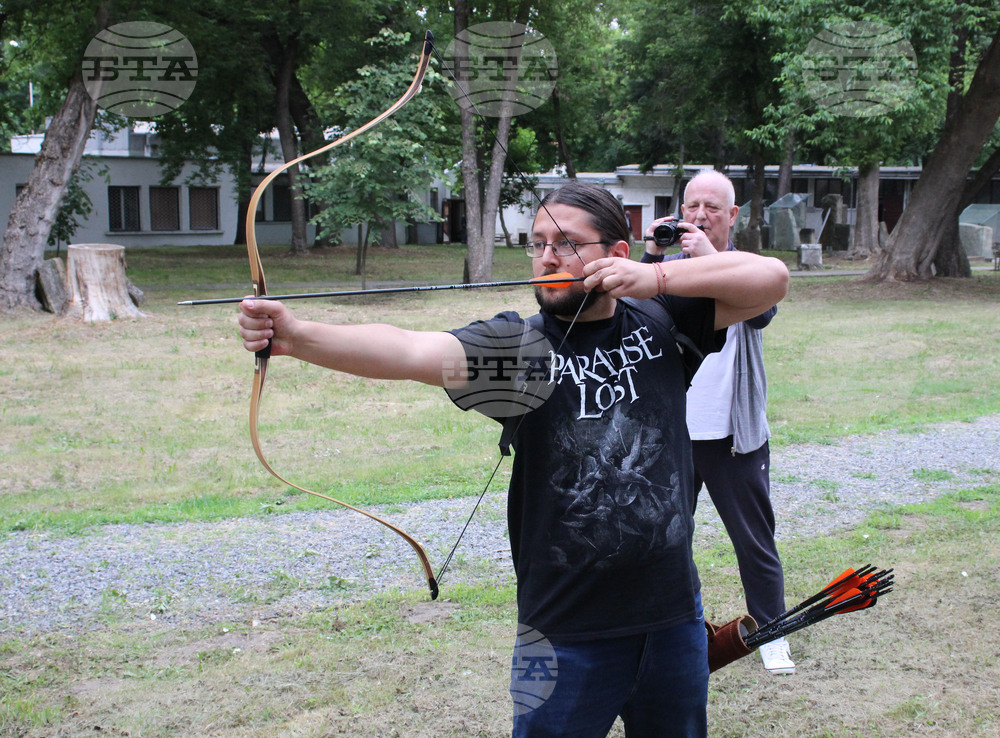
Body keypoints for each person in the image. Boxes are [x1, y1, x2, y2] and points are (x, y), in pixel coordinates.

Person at [238, 181, 789, 736]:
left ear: (616, 256)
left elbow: (772, 281)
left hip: (673, 619)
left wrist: (658, 277)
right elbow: (408, 350)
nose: (547, 257)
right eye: (537, 242)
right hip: (558, 635)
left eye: (567, 244)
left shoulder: (664, 321)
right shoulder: (517, 351)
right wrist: (296, 336)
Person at [641, 170, 794, 675]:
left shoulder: (745, 270)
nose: (699, 215)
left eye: (712, 207)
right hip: (674, 433)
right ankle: (672, 634)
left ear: (732, 215)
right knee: (667, 539)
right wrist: (651, 256)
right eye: (691, 206)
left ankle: (772, 634)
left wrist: (708, 256)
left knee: (754, 539)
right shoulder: (666, 270)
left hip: (732, 435)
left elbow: (762, 313)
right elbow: (632, 313)